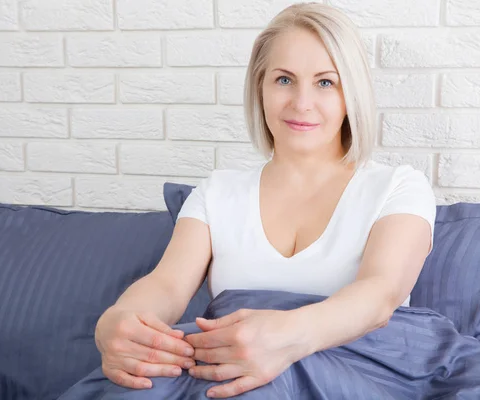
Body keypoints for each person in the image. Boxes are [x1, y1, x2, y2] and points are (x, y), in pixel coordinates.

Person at [94, 3, 436, 399]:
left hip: (351, 376)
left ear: (351, 93)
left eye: (325, 82)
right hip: (229, 378)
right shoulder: (217, 192)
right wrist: (119, 321)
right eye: (284, 80)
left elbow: (381, 294)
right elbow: (167, 284)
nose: (301, 102)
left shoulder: (398, 187)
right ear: (260, 86)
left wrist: (286, 337)